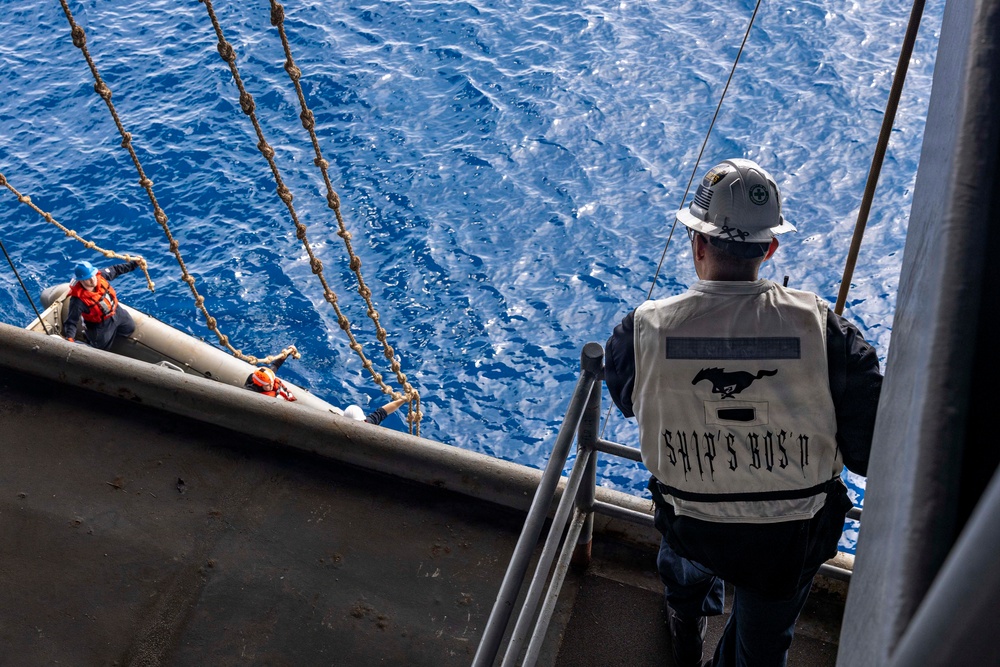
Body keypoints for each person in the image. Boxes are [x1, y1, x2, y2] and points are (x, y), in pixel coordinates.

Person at [604, 158, 882, 667]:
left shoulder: (641, 331)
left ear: (698, 244)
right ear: (769, 248)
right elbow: (867, 452)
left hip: (692, 521)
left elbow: (628, 402)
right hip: (790, 537)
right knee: (763, 644)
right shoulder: (827, 332)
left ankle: (686, 622)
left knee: (683, 560)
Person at [63, 259, 141, 350]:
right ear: (81, 281)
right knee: (101, 348)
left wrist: (134, 264)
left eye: (92, 275)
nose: (92, 279)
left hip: (116, 312)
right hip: (100, 325)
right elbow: (71, 321)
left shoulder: (101, 276)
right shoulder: (78, 301)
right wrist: (70, 338)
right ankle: (89, 339)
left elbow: (116, 269)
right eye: (88, 278)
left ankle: (114, 336)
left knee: (129, 328)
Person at [343, 396, 407, 426]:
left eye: (363, 421)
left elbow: (383, 411)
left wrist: (403, 400)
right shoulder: (368, 424)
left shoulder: (368, 422)